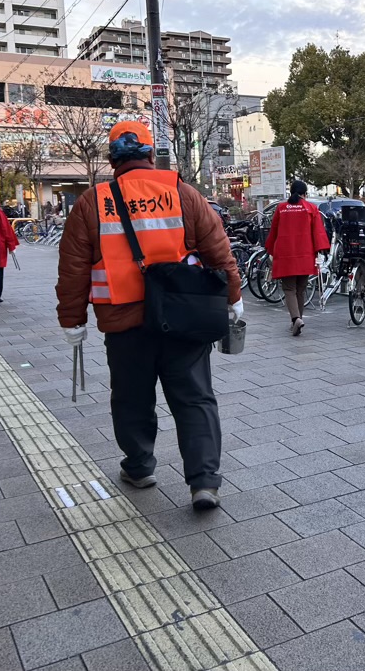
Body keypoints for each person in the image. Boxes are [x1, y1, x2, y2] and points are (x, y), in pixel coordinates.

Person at [55, 121, 242, 511]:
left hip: (124, 324)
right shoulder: (183, 193)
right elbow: (219, 253)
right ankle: (204, 482)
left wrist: (72, 320)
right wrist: (233, 298)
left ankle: (139, 467)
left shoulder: (93, 202)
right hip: (183, 319)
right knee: (194, 399)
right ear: (150, 154)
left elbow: (72, 269)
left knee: (131, 398)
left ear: (111, 160)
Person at [264, 180, 330, 335]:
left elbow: (273, 232)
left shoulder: (281, 208)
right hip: (305, 254)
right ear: (304, 194)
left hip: (286, 254)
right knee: (300, 289)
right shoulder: (311, 208)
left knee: (289, 288)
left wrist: (270, 249)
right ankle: (297, 319)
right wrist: (321, 250)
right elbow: (318, 232)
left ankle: (295, 319)